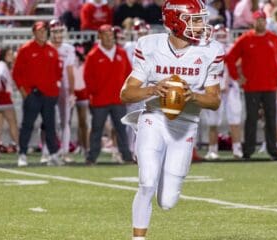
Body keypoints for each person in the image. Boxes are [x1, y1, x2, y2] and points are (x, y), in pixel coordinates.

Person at [119, 0, 224, 238]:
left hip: (185, 125)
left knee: (167, 201)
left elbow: (214, 101)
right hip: (153, 118)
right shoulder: (150, 45)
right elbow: (126, 93)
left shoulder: (211, 50)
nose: (201, 25)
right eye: (195, 19)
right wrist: (154, 89)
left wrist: (192, 96)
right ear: (176, 20)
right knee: (147, 182)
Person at [225, 10, 277, 160]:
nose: (260, 22)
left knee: (271, 118)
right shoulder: (245, 39)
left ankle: (273, 150)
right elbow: (229, 58)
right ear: (253, 22)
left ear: (266, 22)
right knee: (251, 119)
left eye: (263, 19)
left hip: (270, 86)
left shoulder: (273, 38)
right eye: (258, 20)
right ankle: (248, 150)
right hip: (251, 86)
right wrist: (237, 77)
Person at [12, 21, 63, 167]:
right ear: (34, 32)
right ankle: (22, 154)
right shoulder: (25, 49)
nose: (43, 33)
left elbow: (58, 73)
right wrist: (24, 93)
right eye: (40, 31)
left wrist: (55, 90)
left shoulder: (52, 50)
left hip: (50, 95)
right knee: (27, 125)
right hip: (33, 94)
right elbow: (16, 73)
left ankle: (53, 154)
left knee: (50, 126)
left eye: (45, 30)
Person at [84, 24, 133, 165]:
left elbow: (128, 74)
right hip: (100, 99)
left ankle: (126, 156)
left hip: (118, 99)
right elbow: (88, 77)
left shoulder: (121, 53)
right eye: (106, 35)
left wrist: (127, 92)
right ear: (100, 37)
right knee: (97, 129)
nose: (109, 38)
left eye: (111, 35)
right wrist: (94, 93)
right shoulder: (93, 55)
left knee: (121, 129)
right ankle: (92, 157)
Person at [203, 24, 243, 159]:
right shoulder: (208, 50)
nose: (221, 38)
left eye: (223, 35)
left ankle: (237, 149)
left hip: (231, 87)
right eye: (218, 36)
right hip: (214, 88)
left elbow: (237, 66)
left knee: (235, 120)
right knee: (213, 122)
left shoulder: (233, 48)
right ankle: (212, 149)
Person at [40, 19, 76, 164]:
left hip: (64, 87)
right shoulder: (45, 47)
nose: (58, 34)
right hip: (48, 87)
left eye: (60, 31)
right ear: (50, 32)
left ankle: (64, 151)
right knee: (47, 121)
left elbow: (70, 71)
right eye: (55, 31)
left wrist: (72, 92)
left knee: (65, 121)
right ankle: (45, 151)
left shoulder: (68, 48)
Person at [0, 47, 19, 156]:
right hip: (3, 96)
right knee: (13, 122)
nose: (11, 56)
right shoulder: (2, 65)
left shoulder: (0, 64)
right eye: (9, 54)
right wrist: (5, 88)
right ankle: (19, 146)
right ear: (3, 55)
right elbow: (3, 78)